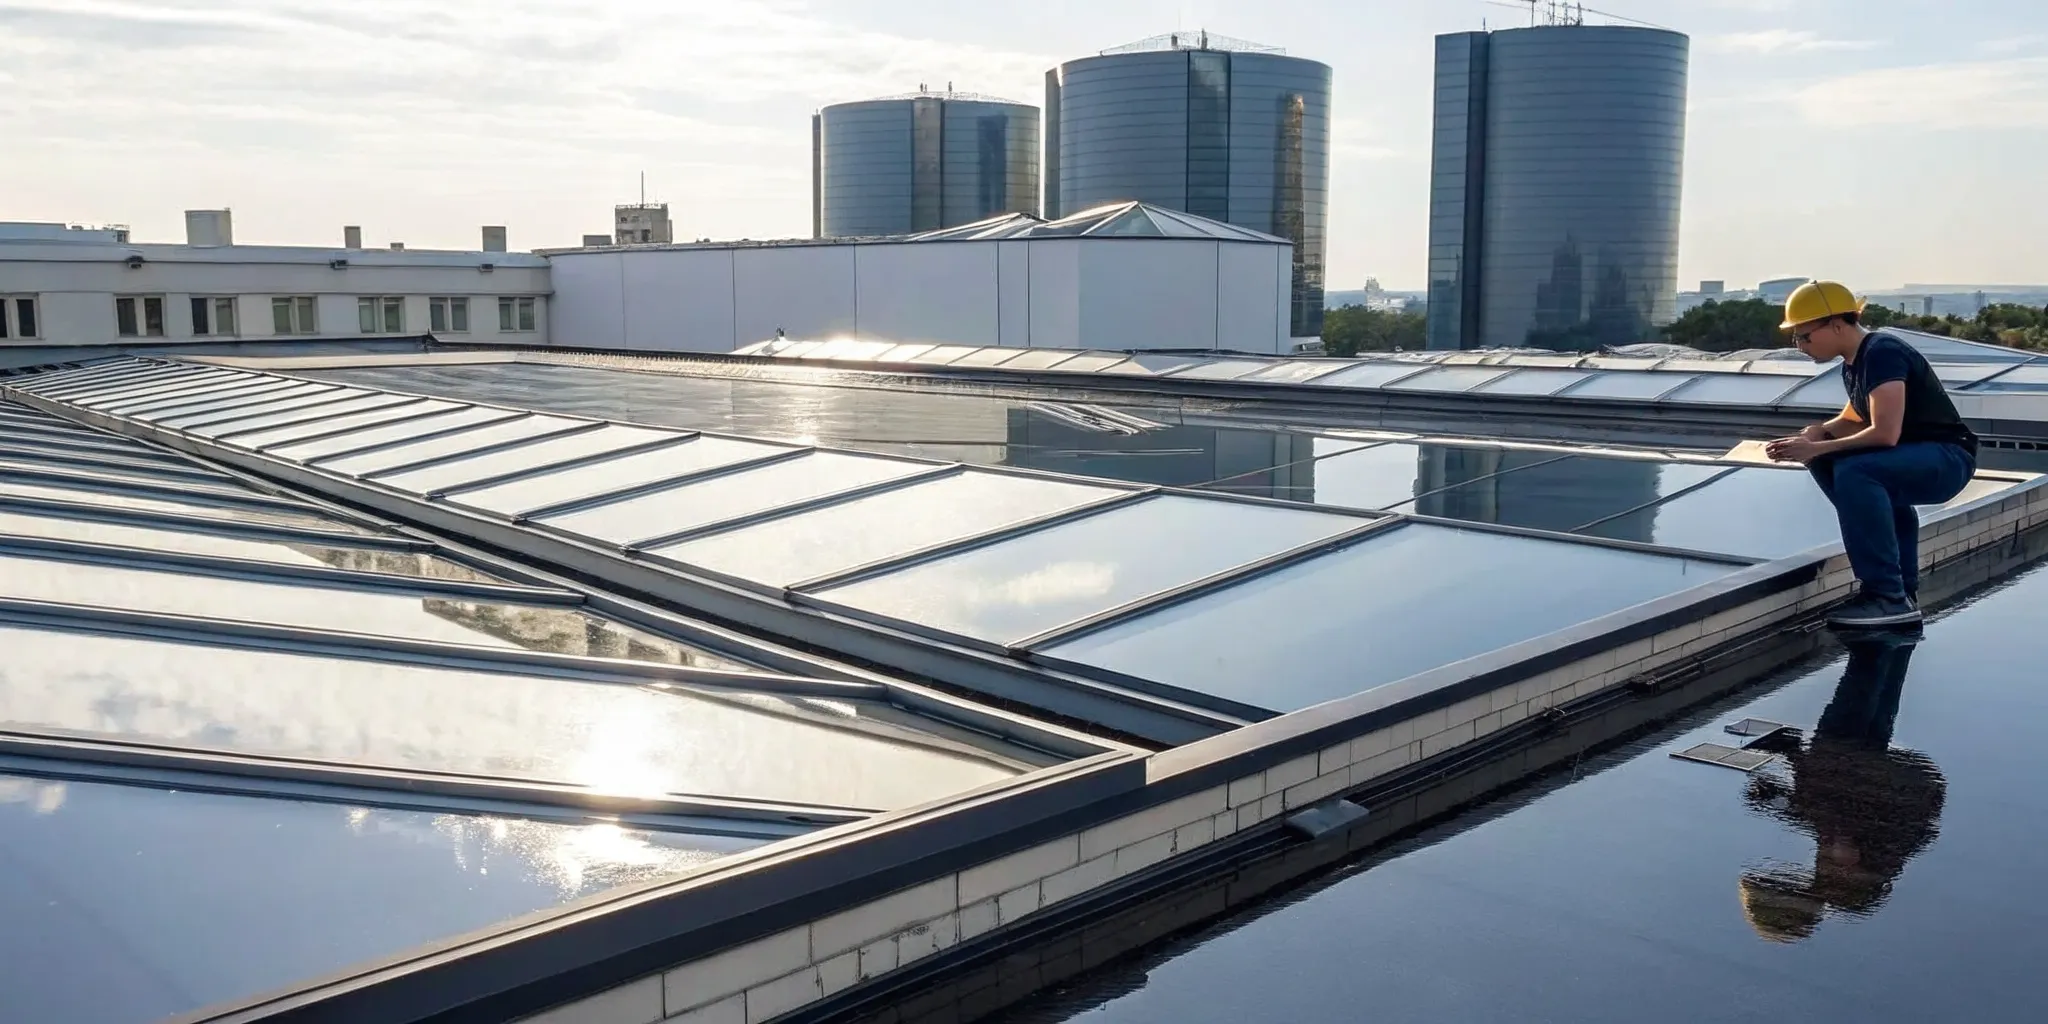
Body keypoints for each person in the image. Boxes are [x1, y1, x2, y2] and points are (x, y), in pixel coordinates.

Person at [1763, 281, 1978, 628]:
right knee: (1835, 465)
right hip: (1920, 457)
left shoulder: (1882, 353)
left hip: (1948, 459)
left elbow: (1884, 432)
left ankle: (1886, 595)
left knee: (1857, 473)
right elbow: (1853, 419)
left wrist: (1817, 446)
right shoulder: (1856, 362)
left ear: (1835, 325)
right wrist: (1816, 435)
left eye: (1804, 336)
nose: (1800, 346)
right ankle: (1901, 591)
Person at [1737, 633, 1945, 942]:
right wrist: (1791, 755)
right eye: (1776, 883)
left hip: (1906, 781)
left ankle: (1900, 632)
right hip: (1877, 777)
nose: (1780, 875)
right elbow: (1832, 811)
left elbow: (1824, 814)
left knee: (1877, 709)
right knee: (1849, 709)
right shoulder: (1843, 872)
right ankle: (1881, 629)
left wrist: (1784, 799)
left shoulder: (1866, 876)